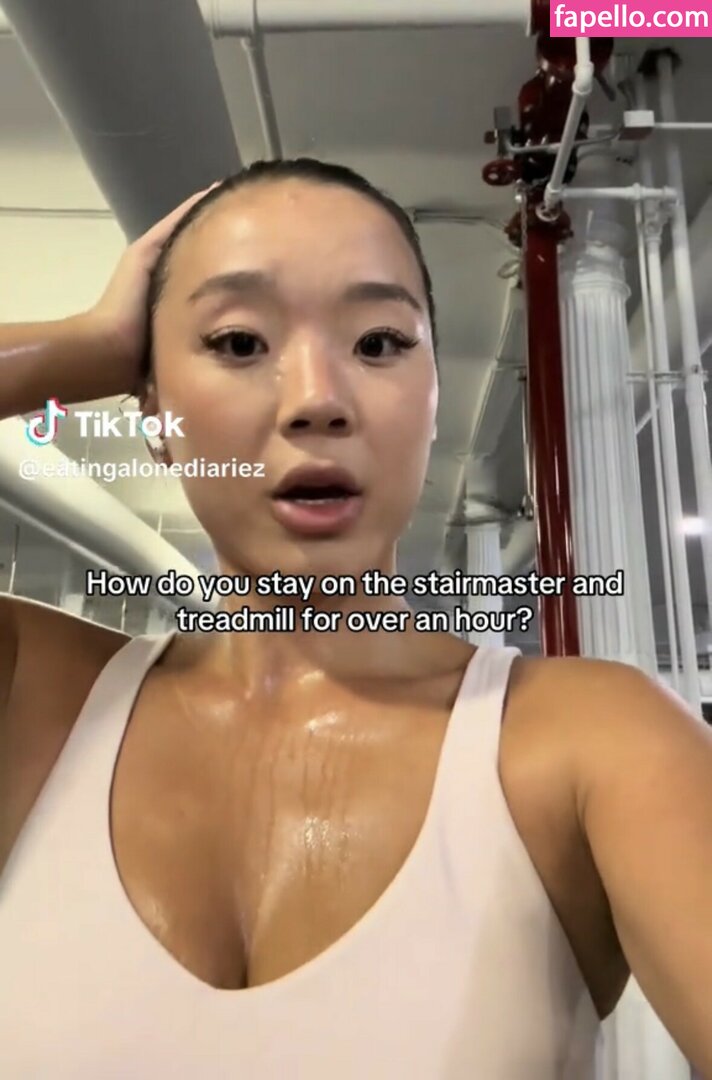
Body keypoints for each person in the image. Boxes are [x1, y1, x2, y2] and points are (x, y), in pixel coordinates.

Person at [0, 157, 710, 1080]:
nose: (318, 401)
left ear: (433, 400)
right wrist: (87, 344)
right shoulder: (34, 697)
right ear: (155, 417)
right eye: (239, 343)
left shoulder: (594, 744)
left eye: (378, 343)